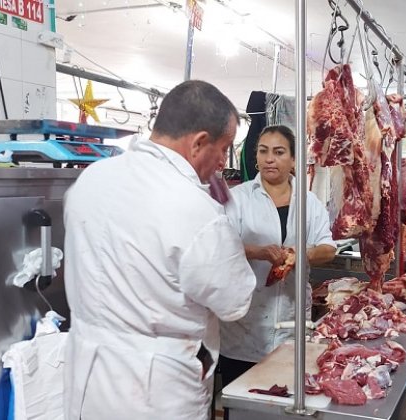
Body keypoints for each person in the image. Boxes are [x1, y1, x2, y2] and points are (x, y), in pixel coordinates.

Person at [63, 80, 256, 420]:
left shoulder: (91, 178)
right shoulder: (196, 208)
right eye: (224, 148)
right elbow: (235, 301)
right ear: (198, 143)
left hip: (87, 373)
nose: (223, 162)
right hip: (156, 388)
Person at [218, 125, 337, 388]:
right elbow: (218, 247)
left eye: (279, 152)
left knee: (284, 405)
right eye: (263, 151)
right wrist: (256, 251)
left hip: (291, 326)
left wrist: (302, 254)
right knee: (241, 407)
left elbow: (328, 249)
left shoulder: (309, 202)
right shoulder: (237, 199)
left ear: (293, 159)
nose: (269, 159)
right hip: (243, 331)